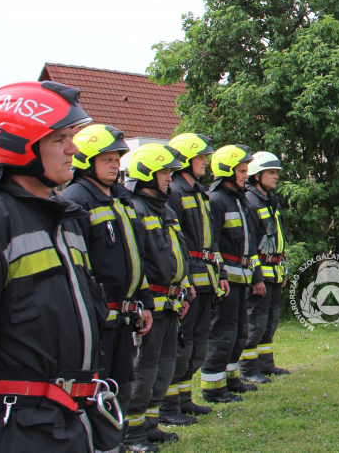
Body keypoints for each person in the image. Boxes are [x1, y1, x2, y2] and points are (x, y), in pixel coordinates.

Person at [0, 82, 123, 453]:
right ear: (15, 145)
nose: (74, 148)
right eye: (60, 139)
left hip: (71, 421)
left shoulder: (66, 218)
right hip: (20, 428)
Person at [61, 124, 154, 426]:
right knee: (95, 391)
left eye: (116, 159)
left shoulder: (121, 197)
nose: (115, 165)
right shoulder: (75, 200)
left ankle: (118, 442)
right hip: (98, 320)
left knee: (121, 387)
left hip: (124, 316)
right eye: (107, 159)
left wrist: (145, 302)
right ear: (86, 161)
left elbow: (135, 256)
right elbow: (77, 267)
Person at [124, 144, 192, 451]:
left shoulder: (164, 209)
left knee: (162, 369)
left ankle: (150, 425)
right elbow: (138, 260)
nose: (169, 178)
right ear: (146, 175)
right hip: (152, 304)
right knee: (145, 370)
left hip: (171, 303)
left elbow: (178, 252)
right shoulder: (136, 208)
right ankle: (132, 433)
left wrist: (185, 286)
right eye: (164, 172)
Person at [160, 133, 231, 419]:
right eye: (201, 156)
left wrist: (221, 272)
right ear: (186, 160)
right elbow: (174, 243)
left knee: (197, 344)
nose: (206, 161)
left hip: (206, 279)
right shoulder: (174, 192)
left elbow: (212, 239)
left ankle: (185, 398)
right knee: (182, 343)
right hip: (188, 281)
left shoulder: (198, 192)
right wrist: (183, 282)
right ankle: (168, 406)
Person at [200, 145, 263, 403]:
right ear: (226, 170)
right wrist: (220, 276)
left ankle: (230, 378)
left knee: (239, 331)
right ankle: (213, 387)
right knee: (223, 331)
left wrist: (256, 275)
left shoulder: (240, 199)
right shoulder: (216, 201)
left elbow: (252, 242)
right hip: (226, 280)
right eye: (241, 170)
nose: (246, 175)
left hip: (242, 277)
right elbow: (211, 244)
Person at [242, 152, 290, 381]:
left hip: (274, 270)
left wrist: (283, 268)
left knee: (270, 321)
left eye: (277, 172)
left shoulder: (270, 200)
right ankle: (249, 370)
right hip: (260, 272)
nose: (276, 176)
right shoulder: (250, 201)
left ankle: (265, 364)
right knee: (255, 322)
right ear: (256, 175)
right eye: (271, 172)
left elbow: (279, 238)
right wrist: (256, 277)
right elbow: (249, 243)